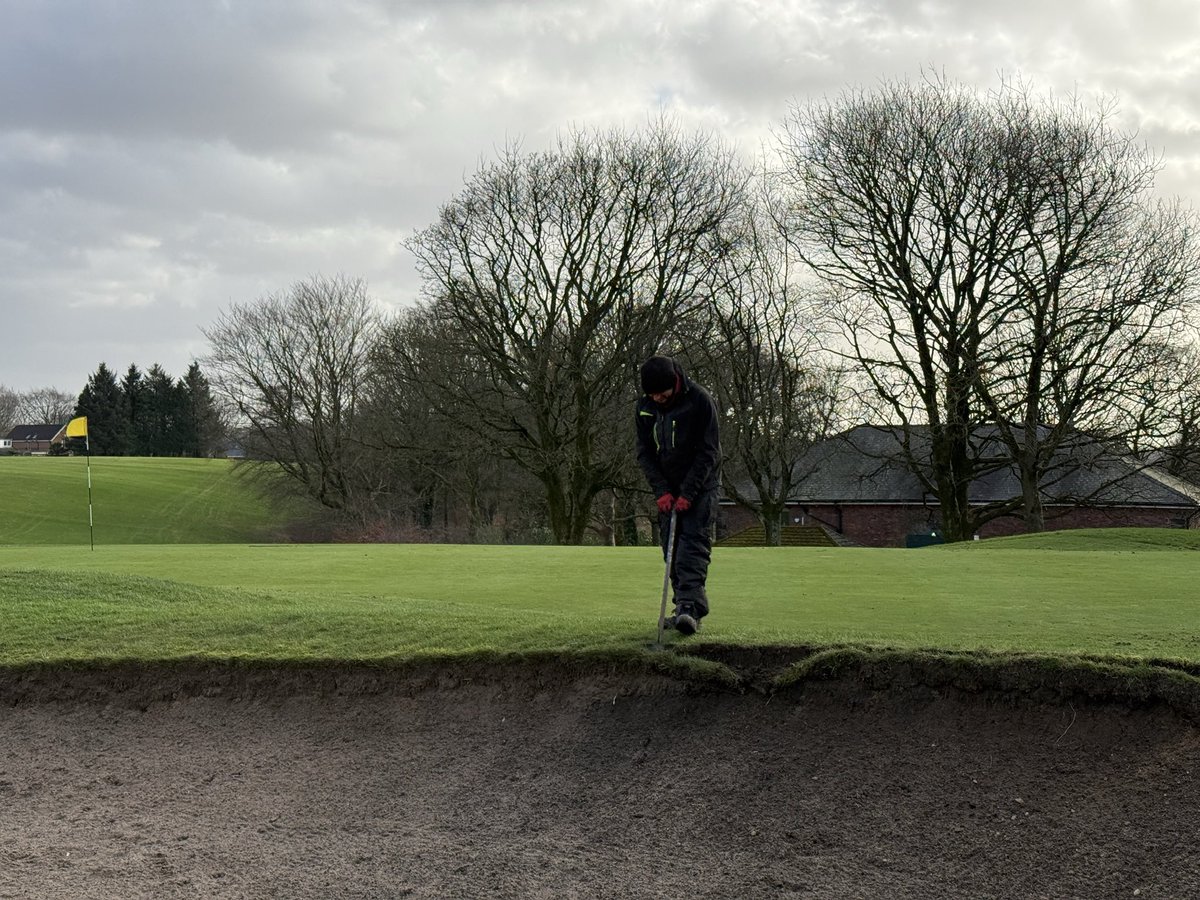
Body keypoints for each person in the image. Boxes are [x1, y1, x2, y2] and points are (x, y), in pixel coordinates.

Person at [635, 354, 721, 636]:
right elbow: (644, 454)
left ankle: (690, 610)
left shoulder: (699, 401)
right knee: (669, 549)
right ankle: (681, 607)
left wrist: (689, 492)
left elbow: (709, 452)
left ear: (674, 382)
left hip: (700, 485)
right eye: (653, 394)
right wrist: (661, 491)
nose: (659, 398)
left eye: (663, 392)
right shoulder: (645, 408)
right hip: (667, 489)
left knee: (691, 547)